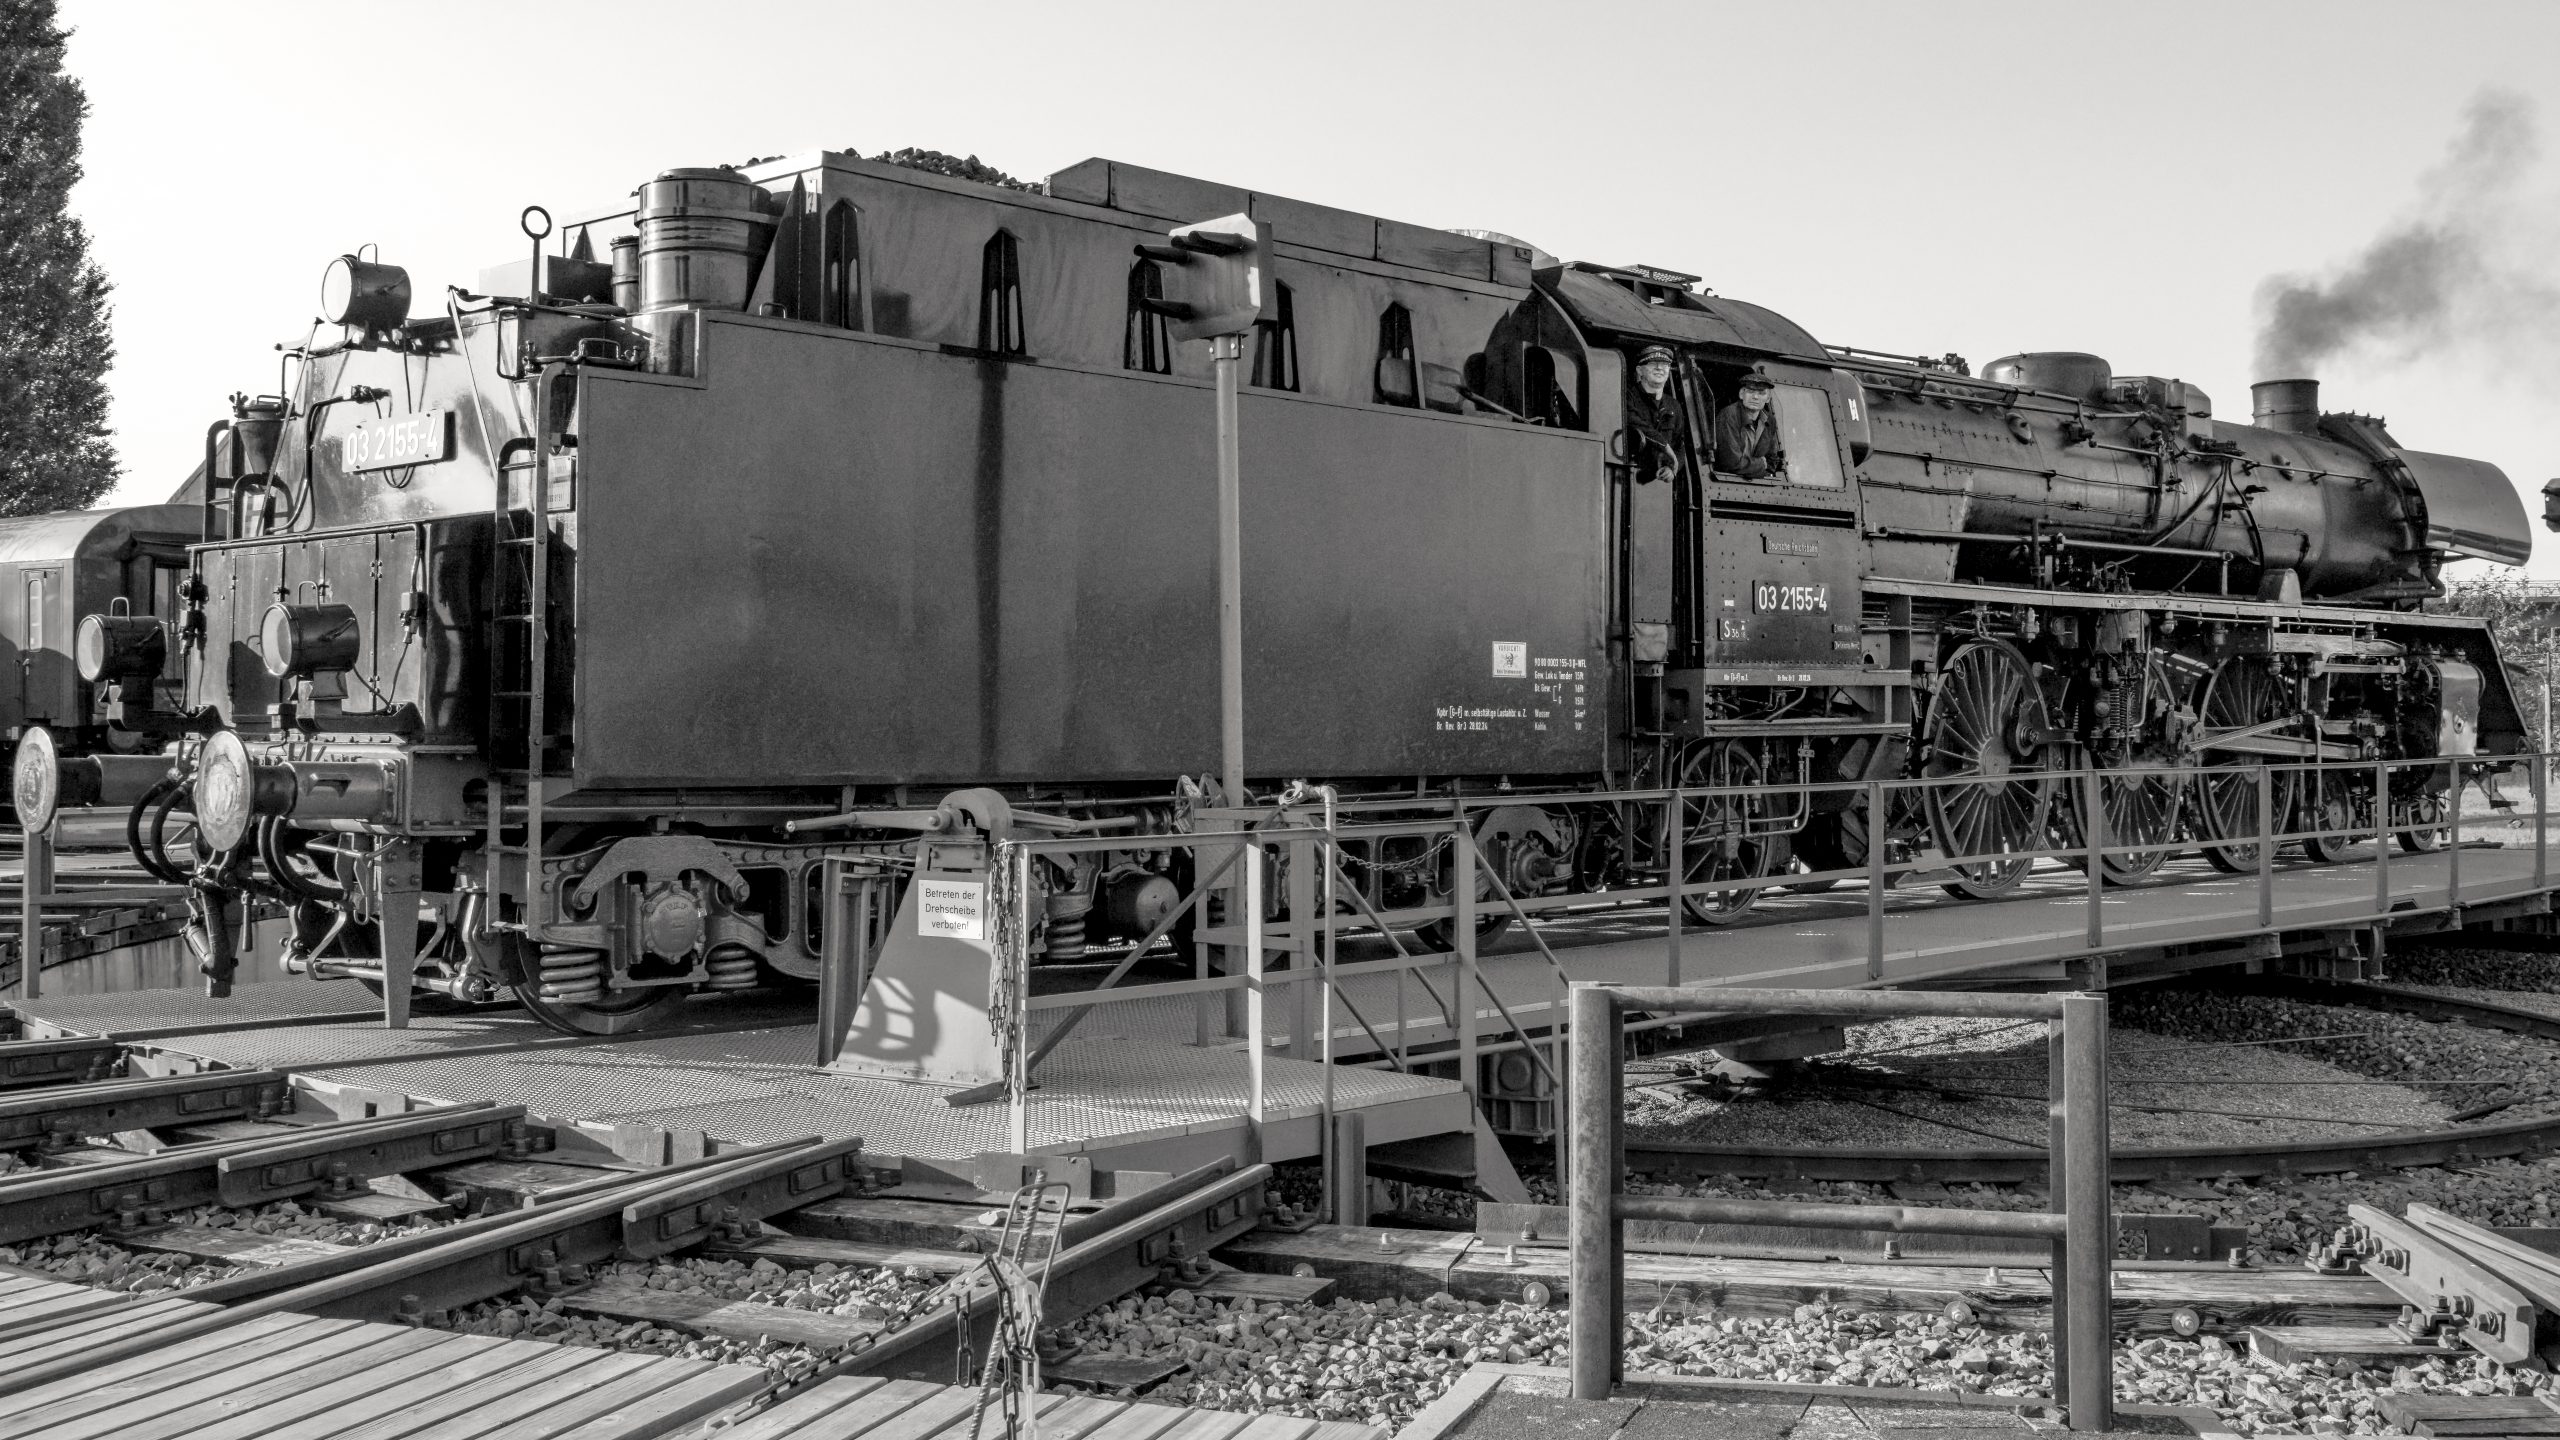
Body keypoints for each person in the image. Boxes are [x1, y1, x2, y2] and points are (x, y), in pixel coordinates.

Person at [1625, 344, 1682, 485]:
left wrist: (1672, 469)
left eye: (1665, 364)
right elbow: (1633, 421)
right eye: (1652, 363)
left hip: (1659, 484)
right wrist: (1664, 445)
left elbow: (1680, 443)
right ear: (1640, 370)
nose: (1659, 368)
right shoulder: (1627, 396)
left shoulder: (1673, 405)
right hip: (1629, 477)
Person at [1715, 368, 1786, 479]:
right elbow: (1731, 463)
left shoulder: (1769, 420)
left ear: (1768, 398)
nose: (1755, 397)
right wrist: (1761, 464)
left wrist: (1753, 468)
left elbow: (1772, 461)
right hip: (1728, 481)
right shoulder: (1728, 416)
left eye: (1761, 393)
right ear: (1741, 394)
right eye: (1750, 391)